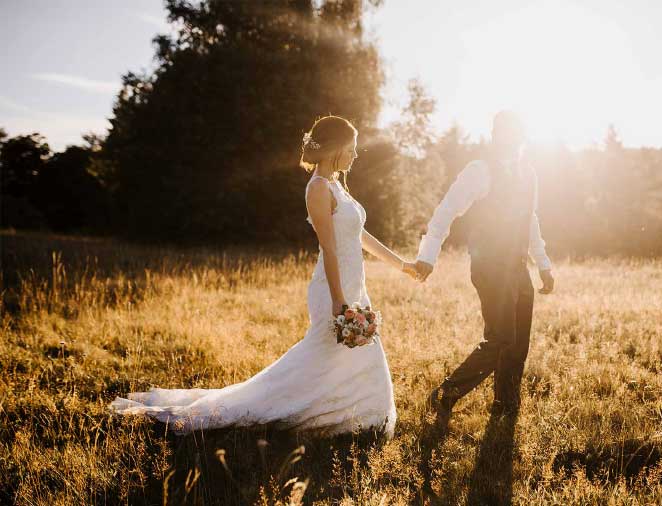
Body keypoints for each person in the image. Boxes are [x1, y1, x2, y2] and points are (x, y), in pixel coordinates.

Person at [109, 115, 417, 437]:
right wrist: (339, 299)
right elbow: (329, 249)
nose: (355, 155)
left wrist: (402, 264)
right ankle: (289, 411)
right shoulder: (318, 188)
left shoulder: (338, 185)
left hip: (355, 284)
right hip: (334, 287)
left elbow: (360, 236)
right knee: (324, 355)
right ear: (334, 149)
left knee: (348, 356)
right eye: (351, 149)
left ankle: (356, 416)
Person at [412, 110, 555, 424]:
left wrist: (543, 264)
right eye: (506, 134)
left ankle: (505, 406)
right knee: (501, 336)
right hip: (489, 265)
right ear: (496, 136)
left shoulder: (528, 173)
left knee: (518, 343)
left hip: (518, 266)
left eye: (517, 134)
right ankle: (446, 394)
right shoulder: (480, 171)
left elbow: (530, 220)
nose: (513, 141)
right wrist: (428, 255)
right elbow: (446, 211)